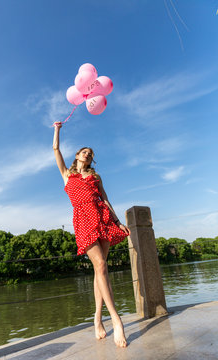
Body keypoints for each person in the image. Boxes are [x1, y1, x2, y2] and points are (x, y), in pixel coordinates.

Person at [53, 121, 131, 348]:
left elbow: (105, 199)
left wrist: (118, 221)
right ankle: (116, 320)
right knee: (100, 266)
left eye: (90, 154)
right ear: (77, 155)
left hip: (103, 217)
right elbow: (55, 150)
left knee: (101, 268)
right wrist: (57, 129)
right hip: (83, 220)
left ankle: (97, 318)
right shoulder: (67, 175)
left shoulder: (96, 177)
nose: (87, 155)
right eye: (84, 152)